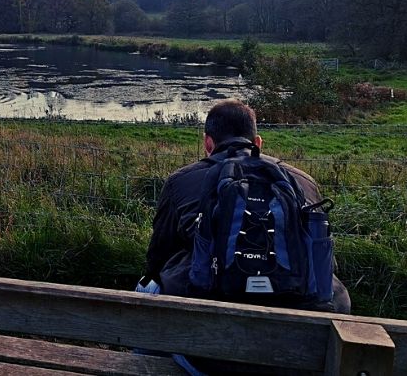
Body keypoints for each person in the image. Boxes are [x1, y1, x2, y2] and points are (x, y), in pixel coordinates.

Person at [141, 99, 350, 374]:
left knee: (147, 289)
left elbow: (159, 255)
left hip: (207, 357)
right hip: (296, 357)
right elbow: (323, 263)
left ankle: (141, 364)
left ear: (208, 142)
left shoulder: (182, 181)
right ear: (258, 142)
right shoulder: (302, 182)